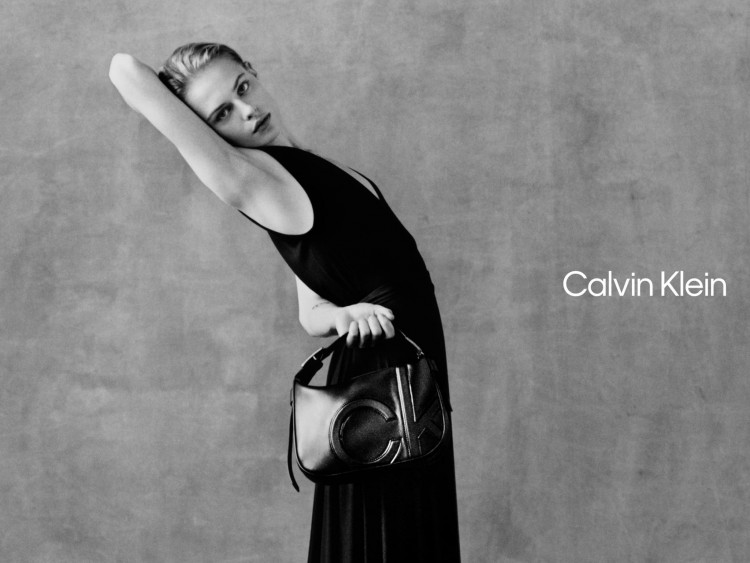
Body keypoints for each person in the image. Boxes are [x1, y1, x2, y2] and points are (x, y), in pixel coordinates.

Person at [109, 42, 461, 563]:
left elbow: (311, 311)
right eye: (222, 114)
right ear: (208, 131)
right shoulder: (250, 179)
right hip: (384, 389)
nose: (247, 111)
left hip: (407, 367)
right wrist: (191, 118)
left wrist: (344, 314)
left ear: (254, 73)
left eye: (243, 88)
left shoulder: (304, 169)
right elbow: (124, 70)